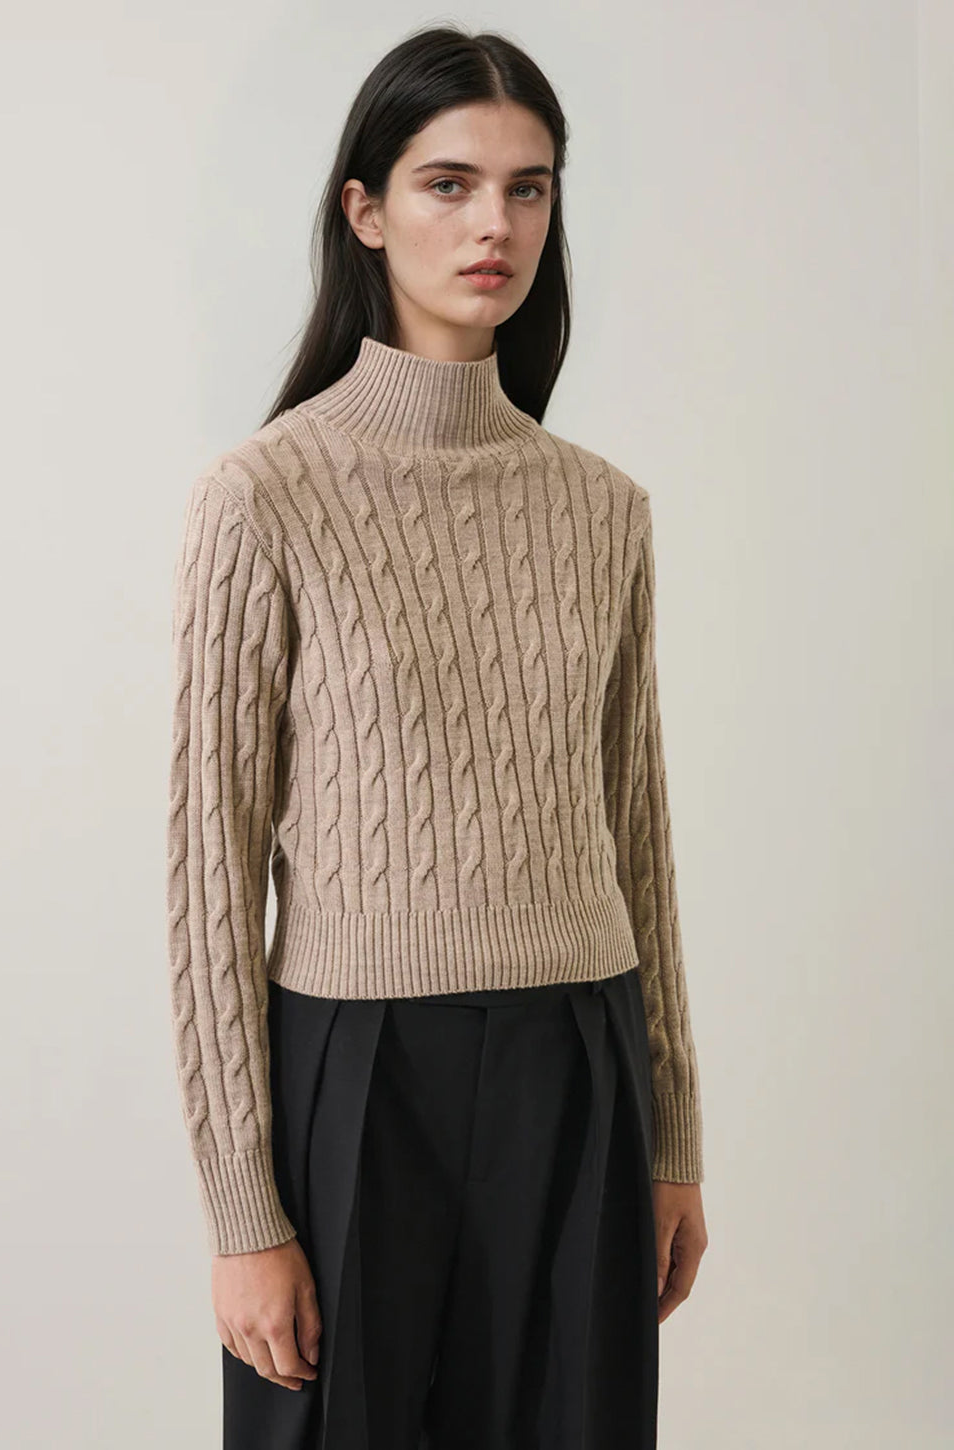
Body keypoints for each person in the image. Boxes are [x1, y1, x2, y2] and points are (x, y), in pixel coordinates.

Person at [166, 23, 708, 1450]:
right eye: (449, 183)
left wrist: (673, 1136)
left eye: (529, 189)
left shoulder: (602, 508)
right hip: (359, 1073)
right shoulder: (263, 499)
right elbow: (212, 877)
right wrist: (243, 1211)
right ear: (364, 210)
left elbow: (636, 834)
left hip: (581, 1060)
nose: (495, 226)